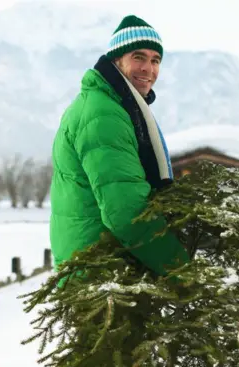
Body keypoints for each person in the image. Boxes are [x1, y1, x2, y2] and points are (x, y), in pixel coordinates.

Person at [49, 15, 188, 287]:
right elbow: (126, 212)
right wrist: (182, 270)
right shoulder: (103, 115)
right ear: (116, 60)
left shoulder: (115, 107)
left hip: (103, 266)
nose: (148, 68)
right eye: (139, 57)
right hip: (98, 272)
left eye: (155, 60)